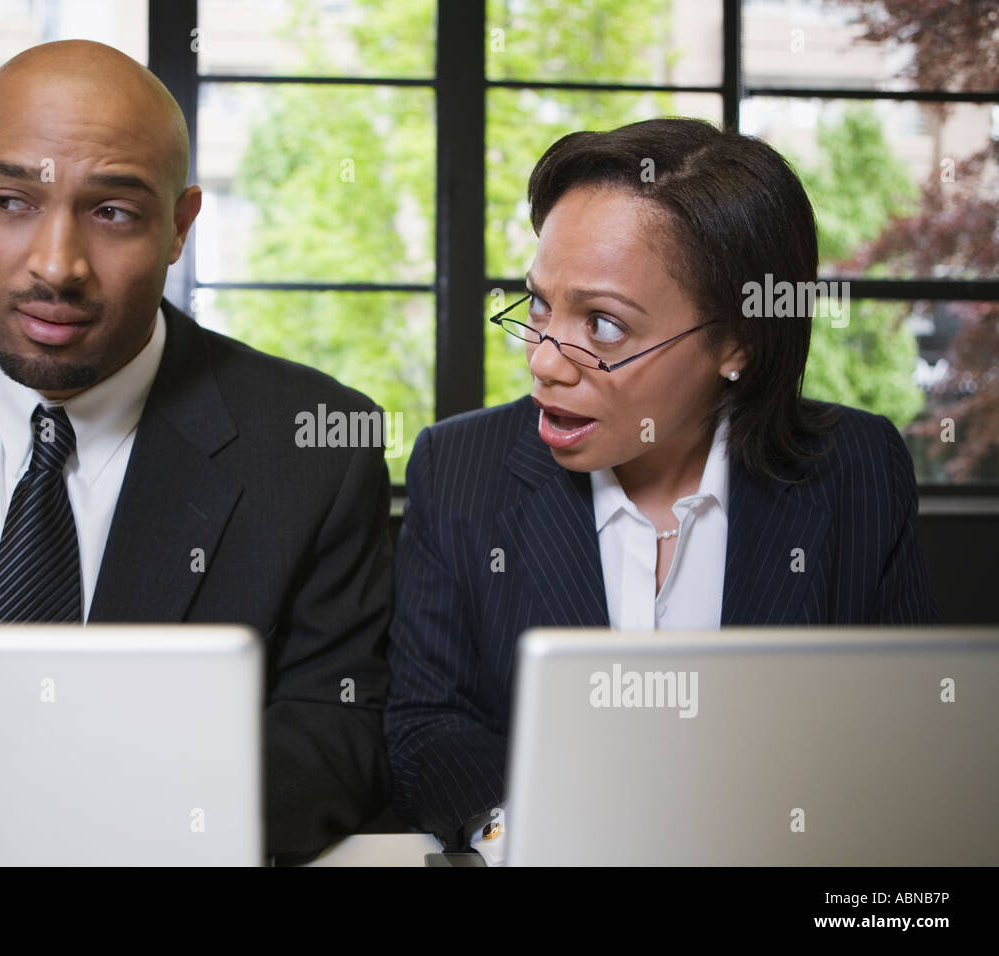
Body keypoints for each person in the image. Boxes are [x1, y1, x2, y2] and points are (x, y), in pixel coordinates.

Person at [0, 40, 392, 864]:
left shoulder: (316, 444)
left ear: (179, 226)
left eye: (113, 213)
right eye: (14, 201)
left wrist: (97, 830)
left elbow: (336, 731)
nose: (56, 268)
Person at [385, 117, 940, 864]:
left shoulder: (856, 468)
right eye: (540, 306)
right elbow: (428, 720)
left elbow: (905, 732)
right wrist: (522, 833)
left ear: (738, 341)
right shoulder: (460, 468)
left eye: (604, 325)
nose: (546, 362)